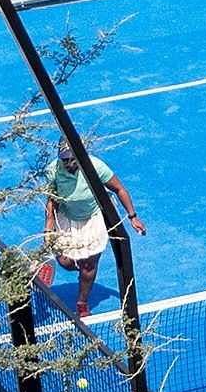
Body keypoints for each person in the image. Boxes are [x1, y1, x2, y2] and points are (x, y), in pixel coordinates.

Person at [40, 135, 145, 315]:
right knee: (65, 262)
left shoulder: (96, 166)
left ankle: (82, 303)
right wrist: (48, 229)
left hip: (95, 216)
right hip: (68, 215)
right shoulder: (53, 170)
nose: (68, 163)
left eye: (71, 158)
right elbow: (52, 200)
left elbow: (119, 189)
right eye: (64, 159)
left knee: (89, 264)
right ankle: (83, 268)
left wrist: (133, 217)